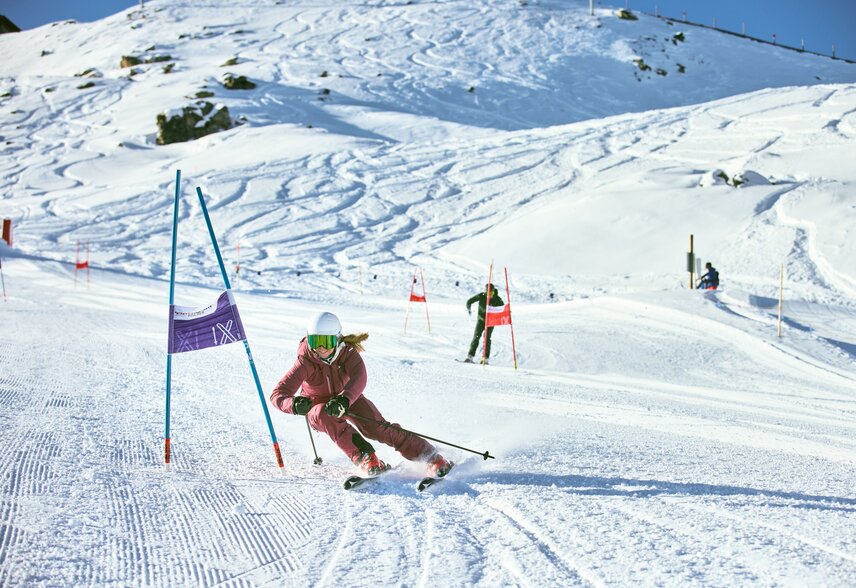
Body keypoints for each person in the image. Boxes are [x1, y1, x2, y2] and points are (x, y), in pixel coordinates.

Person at [270, 311, 452, 477]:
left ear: (337, 339)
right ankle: (366, 458)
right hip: (318, 408)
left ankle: (430, 456)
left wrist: (345, 399)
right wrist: (294, 405)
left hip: (347, 398)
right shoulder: (305, 361)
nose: (321, 348)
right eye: (315, 342)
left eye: (327, 341)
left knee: (376, 428)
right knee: (323, 414)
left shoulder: (347, 353)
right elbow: (278, 394)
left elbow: (360, 377)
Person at [463, 283, 504, 364]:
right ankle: (470, 356)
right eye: (487, 293)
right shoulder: (481, 296)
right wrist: (469, 309)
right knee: (476, 337)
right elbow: (469, 301)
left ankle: (485, 358)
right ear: (485, 291)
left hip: (491, 321)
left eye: (491, 293)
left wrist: (505, 314)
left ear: (493, 291)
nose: (489, 295)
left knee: (487, 338)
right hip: (480, 320)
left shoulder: (497, 299)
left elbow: (503, 309)